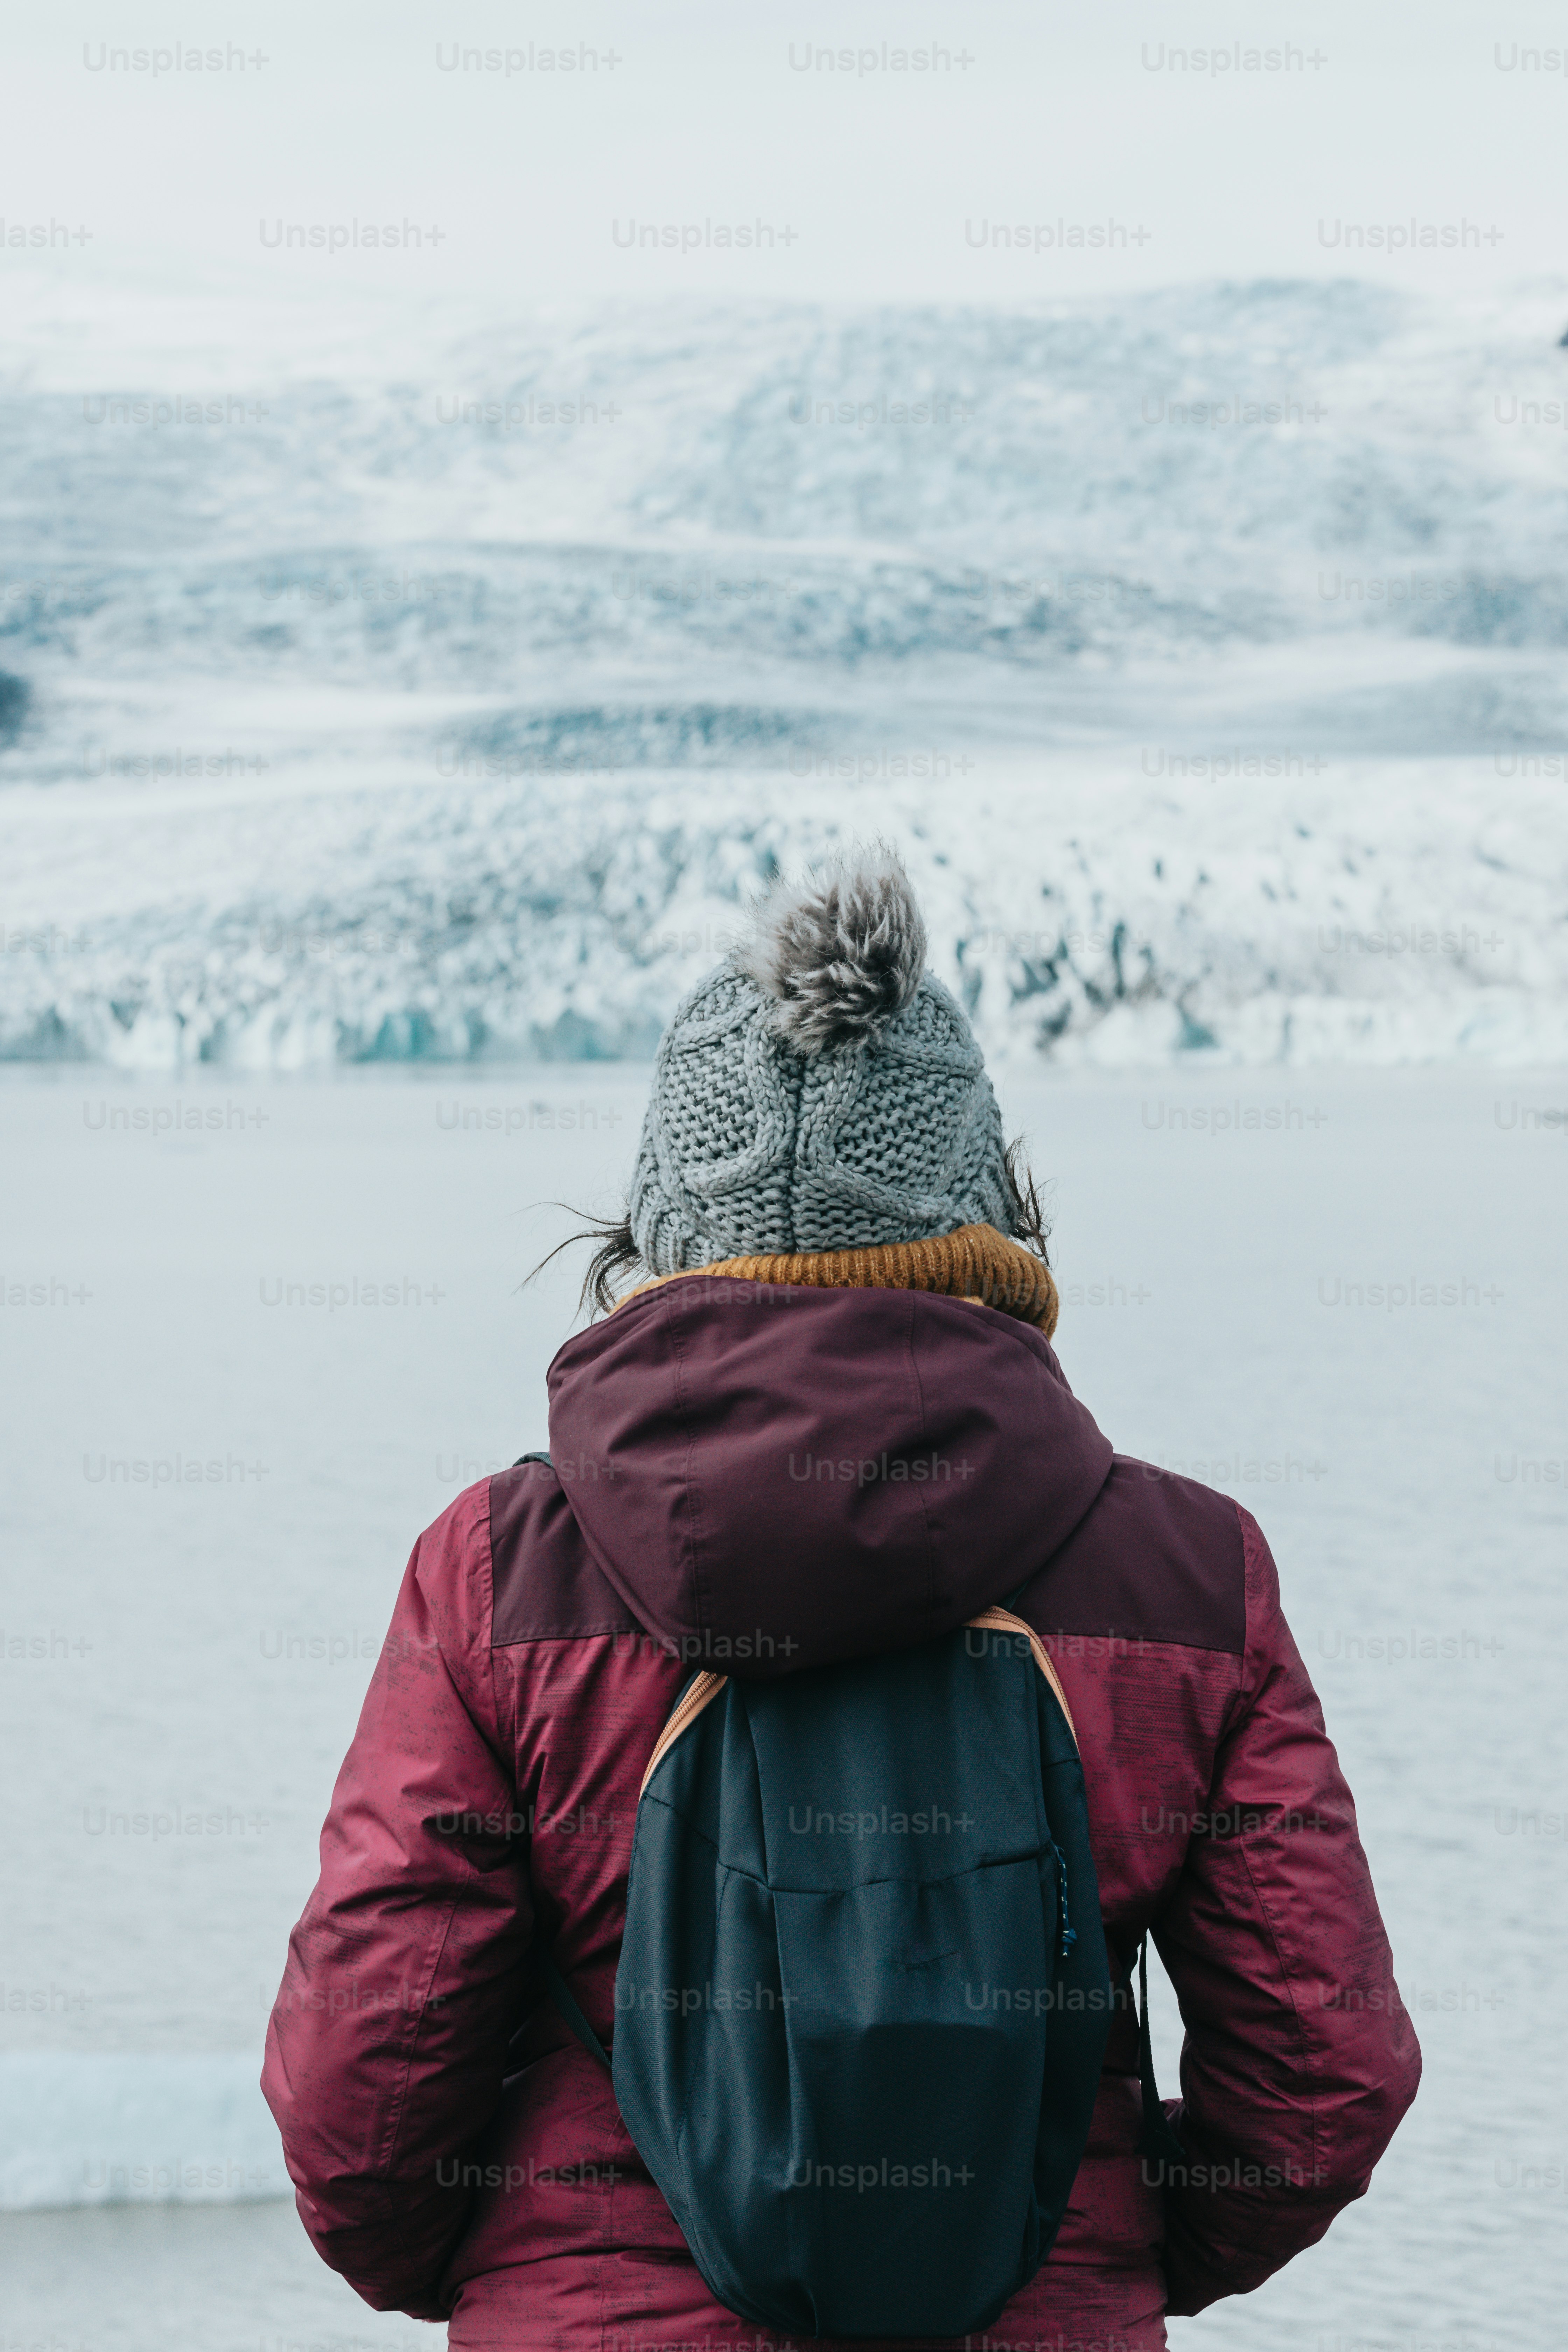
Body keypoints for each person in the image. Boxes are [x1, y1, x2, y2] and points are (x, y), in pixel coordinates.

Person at [263, 847, 1420, 2349]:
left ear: (660, 1227)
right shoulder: (1192, 1575)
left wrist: (507, 2275)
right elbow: (1323, 2075)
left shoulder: (492, 1574)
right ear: (985, 1210)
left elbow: (363, 2085)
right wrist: (1107, 2248)